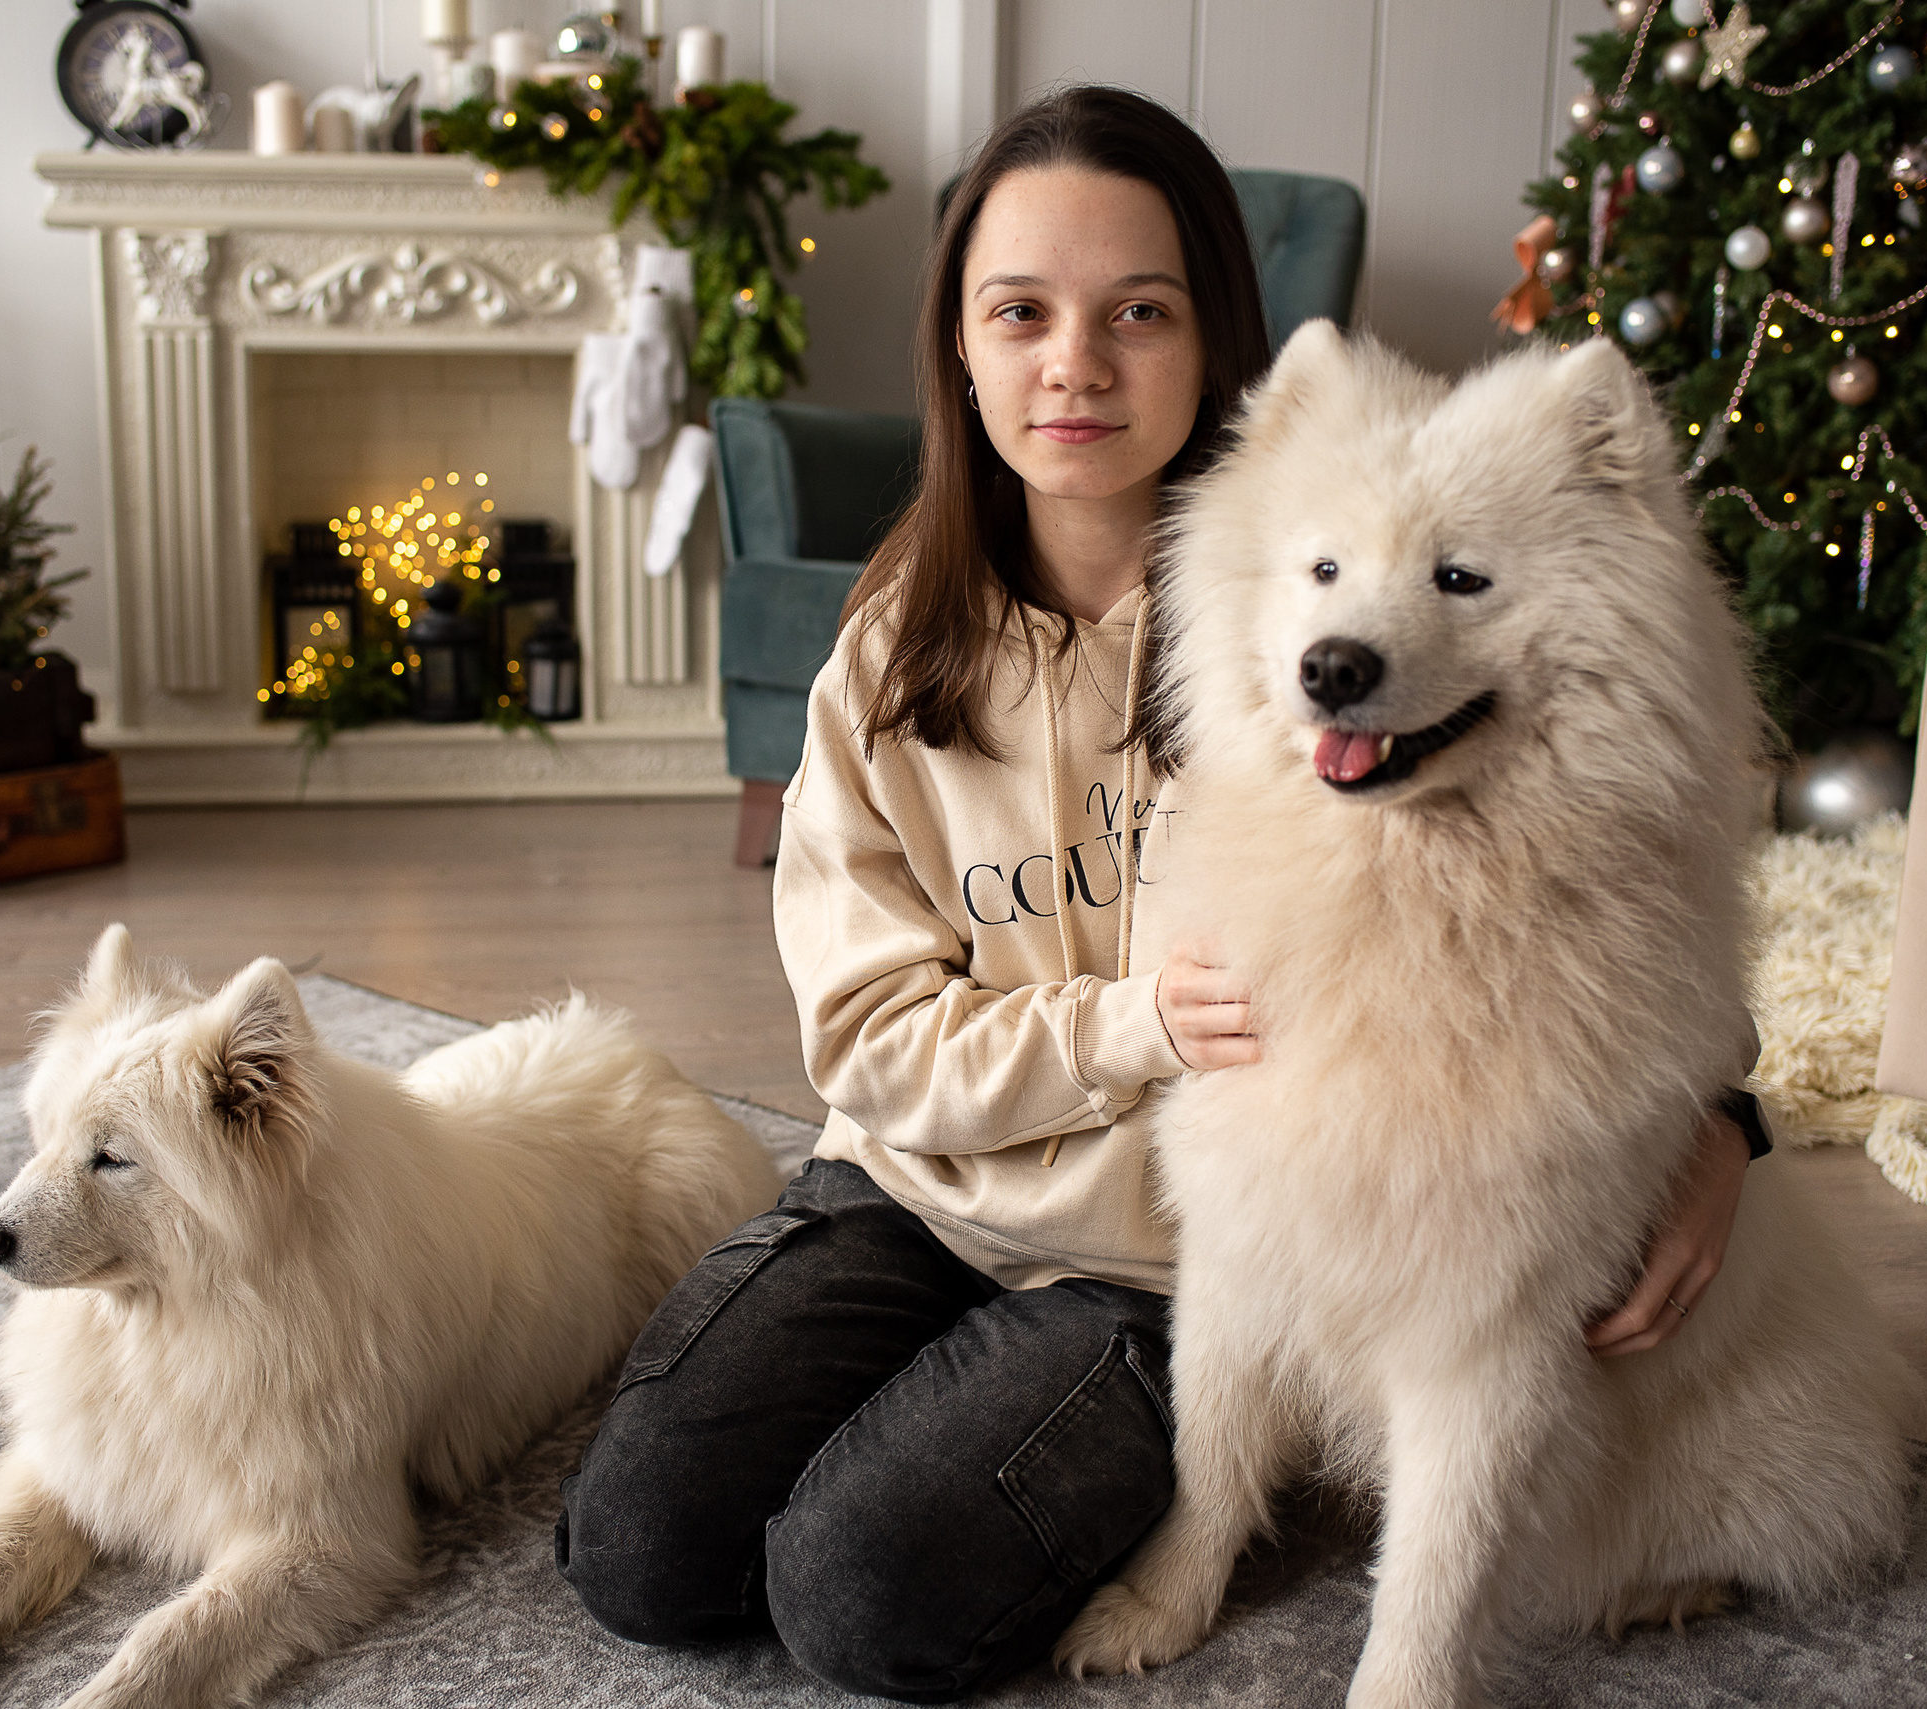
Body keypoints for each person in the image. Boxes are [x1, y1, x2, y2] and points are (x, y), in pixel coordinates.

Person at [554, 85, 1766, 1703]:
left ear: (1214, 339)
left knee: (861, 1594)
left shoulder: (1306, 637)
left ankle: (1090, 1460)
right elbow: (862, 1031)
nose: (1077, 362)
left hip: (1160, 1263)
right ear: (964, 350)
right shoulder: (893, 652)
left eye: (1140, 310)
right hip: (912, 1188)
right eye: (1022, 313)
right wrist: (1127, 1026)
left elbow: (1598, 894)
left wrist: (1717, 1116)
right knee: (635, 1551)